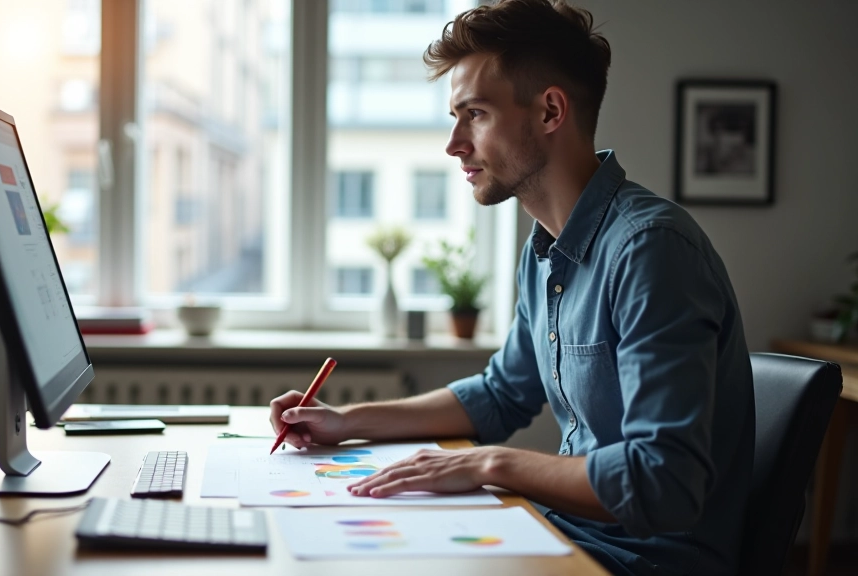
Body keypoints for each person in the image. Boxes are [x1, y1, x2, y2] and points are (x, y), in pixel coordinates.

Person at [268, 1, 754, 575]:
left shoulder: (651, 249)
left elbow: (662, 484)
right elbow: (501, 394)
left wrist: (491, 466)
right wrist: (348, 421)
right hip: (571, 533)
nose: (453, 144)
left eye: (474, 114)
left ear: (550, 110)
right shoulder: (544, 251)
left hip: (648, 560)